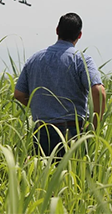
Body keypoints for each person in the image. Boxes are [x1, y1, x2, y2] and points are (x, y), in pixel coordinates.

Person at [14, 12, 106, 157]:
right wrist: (94, 125)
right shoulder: (81, 60)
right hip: (73, 132)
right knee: (73, 177)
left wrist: (42, 104)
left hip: (42, 131)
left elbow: (19, 94)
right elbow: (99, 91)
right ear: (80, 35)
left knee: (42, 177)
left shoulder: (34, 59)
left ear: (57, 30)